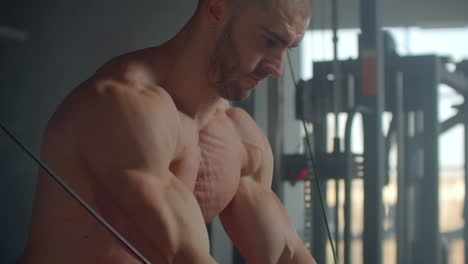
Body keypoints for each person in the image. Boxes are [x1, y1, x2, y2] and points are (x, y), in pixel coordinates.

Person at [20, 0, 316, 263]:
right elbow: (183, 256)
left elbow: (286, 255)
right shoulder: (121, 106)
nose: (277, 68)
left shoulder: (239, 136)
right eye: (269, 41)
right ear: (216, 7)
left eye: (287, 49)